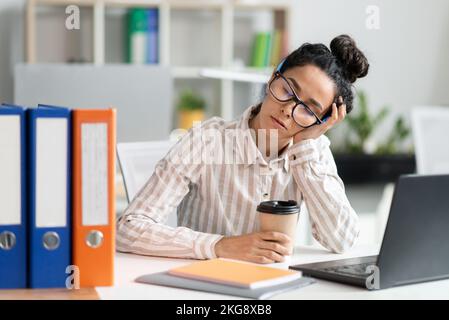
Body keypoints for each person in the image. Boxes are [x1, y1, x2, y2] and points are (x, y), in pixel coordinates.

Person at [117, 34, 369, 264]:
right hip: (203, 290)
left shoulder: (312, 153)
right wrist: (220, 245)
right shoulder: (207, 140)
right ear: (273, 77)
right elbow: (128, 229)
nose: (288, 110)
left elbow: (342, 240)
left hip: (273, 288)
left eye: (309, 109)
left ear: (322, 121)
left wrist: (305, 149)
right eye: (288, 90)